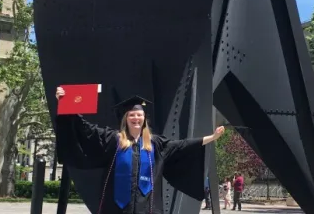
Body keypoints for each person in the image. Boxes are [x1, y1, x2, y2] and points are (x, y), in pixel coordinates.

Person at [55, 87, 225, 214]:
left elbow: (181, 145)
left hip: (147, 208)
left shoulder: (155, 144)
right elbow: (86, 130)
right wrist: (67, 103)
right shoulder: (114, 140)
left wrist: (211, 138)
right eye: (131, 115)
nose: (136, 118)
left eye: (139, 115)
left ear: (144, 119)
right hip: (116, 208)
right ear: (126, 119)